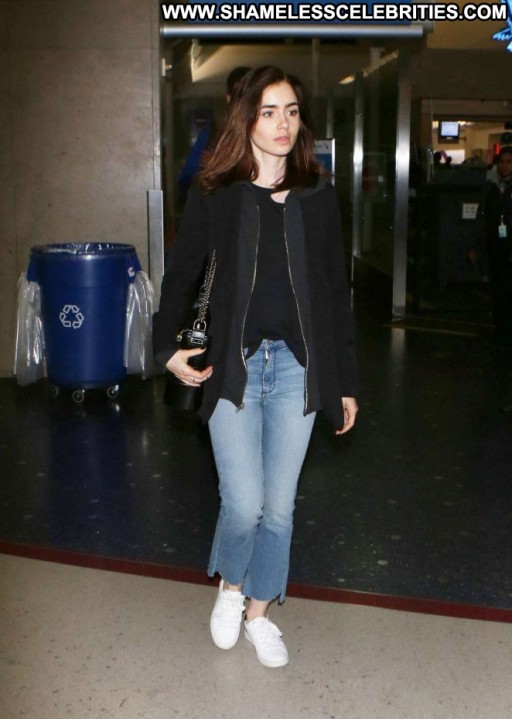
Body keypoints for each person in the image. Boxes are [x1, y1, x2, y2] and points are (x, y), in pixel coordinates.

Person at [153, 66, 358, 668]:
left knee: (280, 506)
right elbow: (182, 272)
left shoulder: (318, 197)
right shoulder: (217, 194)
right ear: (246, 119)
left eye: (291, 111)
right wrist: (165, 347)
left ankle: (260, 613)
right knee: (243, 504)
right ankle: (232, 585)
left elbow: (334, 295)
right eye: (269, 112)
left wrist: (346, 382)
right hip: (233, 366)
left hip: (296, 368)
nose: (282, 124)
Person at [177, 66, 252, 198]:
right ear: (229, 99)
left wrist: (219, 166)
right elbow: (186, 179)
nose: (243, 102)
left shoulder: (269, 131)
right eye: (238, 95)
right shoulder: (213, 131)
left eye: (248, 95)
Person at [478, 145, 512, 347]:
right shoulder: (493, 188)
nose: (505, 166)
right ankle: (501, 328)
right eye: (502, 162)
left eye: (509, 162)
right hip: (497, 248)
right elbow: (485, 219)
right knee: (499, 289)